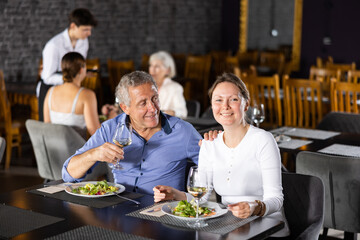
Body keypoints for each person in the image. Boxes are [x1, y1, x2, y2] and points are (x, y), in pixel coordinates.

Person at [153, 73, 289, 237]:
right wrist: (176, 195)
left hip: (267, 226)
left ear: (246, 105)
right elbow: (202, 198)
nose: (225, 106)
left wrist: (254, 207)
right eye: (218, 100)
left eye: (233, 99)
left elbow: (276, 199)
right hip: (229, 224)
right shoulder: (210, 143)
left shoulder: (264, 140)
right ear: (211, 105)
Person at [62, 71, 201, 195]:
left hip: (163, 212)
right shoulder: (110, 128)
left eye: (155, 98)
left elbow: (213, 171)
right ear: (125, 108)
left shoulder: (184, 131)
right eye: (143, 103)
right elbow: (68, 174)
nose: (152, 108)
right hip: (120, 210)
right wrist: (93, 154)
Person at [38, 8, 97, 121]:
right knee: (48, 130)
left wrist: (83, 73)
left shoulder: (84, 42)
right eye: (85, 30)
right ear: (73, 26)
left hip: (72, 88)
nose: (89, 33)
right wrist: (71, 79)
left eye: (90, 30)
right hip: (51, 90)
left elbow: (78, 65)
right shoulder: (53, 45)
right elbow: (47, 77)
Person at [43, 52, 101, 138]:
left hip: (54, 150)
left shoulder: (50, 91)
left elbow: (47, 124)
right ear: (81, 70)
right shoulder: (87, 95)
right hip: (78, 150)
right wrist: (111, 119)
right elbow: (95, 132)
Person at [149, 51, 187, 118]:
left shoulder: (175, 88)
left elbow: (183, 112)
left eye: (157, 66)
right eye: (151, 65)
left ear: (168, 70)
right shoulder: (147, 86)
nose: (152, 69)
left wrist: (170, 112)